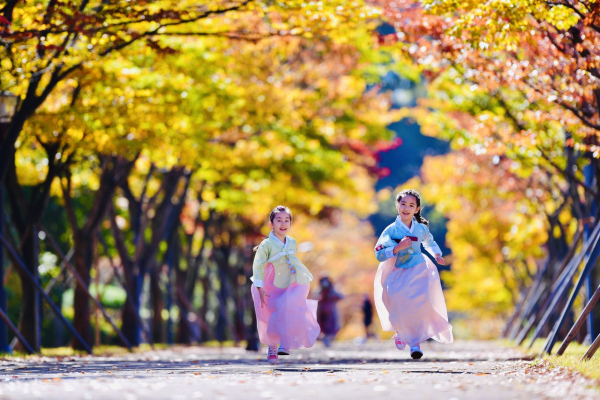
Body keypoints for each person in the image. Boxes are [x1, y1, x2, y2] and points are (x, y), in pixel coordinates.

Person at [373, 189, 453, 359]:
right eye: (403, 204)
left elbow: (429, 241)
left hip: (418, 269)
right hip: (398, 270)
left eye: (411, 205)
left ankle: (415, 344)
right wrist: (396, 248)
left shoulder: (421, 228)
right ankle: (401, 332)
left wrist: (437, 254)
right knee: (395, 300)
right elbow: (379, 252)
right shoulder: (391, 230)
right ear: (397, 205)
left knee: (417, 303)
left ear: (417, 209)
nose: (406, 208)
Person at [250, 205, 320, 364]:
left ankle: (285, 343)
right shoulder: (266, 244)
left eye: (286, 220)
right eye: (279, 220)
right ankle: (272, 346)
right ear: (271, 224)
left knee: (288, 308)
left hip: (290, 282)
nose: (283, 223)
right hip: (269, 283)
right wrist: (260, 287)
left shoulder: (292, 241)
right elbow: (258, 265)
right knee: (270, 314)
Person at [316, 276, 343, 347]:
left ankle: (328, 339)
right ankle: (325, 339)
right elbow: (315, 297)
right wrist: (319, 298)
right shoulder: (319, 290)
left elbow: (341, 296)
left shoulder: (332, 290)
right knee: (323, 326)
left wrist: (334, 297)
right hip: (322, 312)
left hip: (331, 312)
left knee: (332, 326)